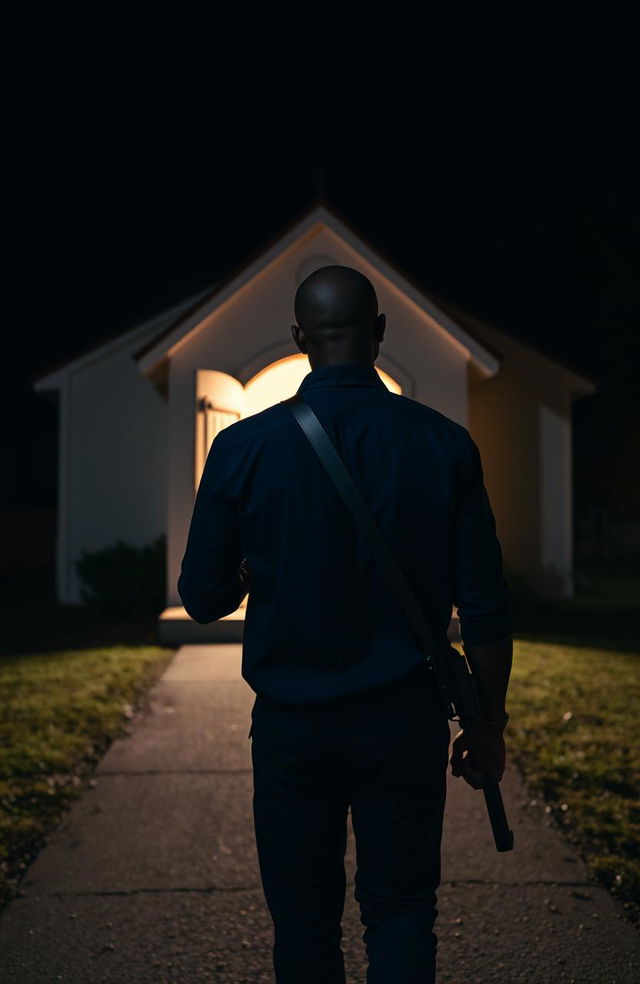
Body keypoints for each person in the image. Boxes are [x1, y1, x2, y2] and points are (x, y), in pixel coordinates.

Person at [177, 264, 514, 984]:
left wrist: (250, 572)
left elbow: (201, 597)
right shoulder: (444, 444)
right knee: (399, 910)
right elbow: (484, 602)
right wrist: (488, 723)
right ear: (381, 333)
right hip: (404, 721)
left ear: (299, 339)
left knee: (303, 923)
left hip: (293, 727)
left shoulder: (241, 448)